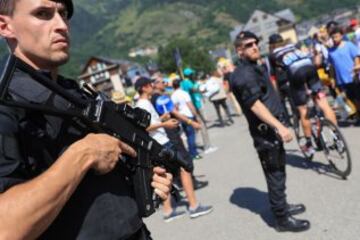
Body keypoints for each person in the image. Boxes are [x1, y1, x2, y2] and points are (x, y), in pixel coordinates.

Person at [0, 1, 172, 239]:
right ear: (4, 26)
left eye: (63, 13)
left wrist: (143, 180)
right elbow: (5, 228)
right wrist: (84, 154)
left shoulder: (77, 93)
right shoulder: (6, 103)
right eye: (43, 14)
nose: (61, 25)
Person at [231, 31, 310, 232]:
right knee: (275, 174)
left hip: (271, 131)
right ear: (239, 50)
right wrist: (279, 126)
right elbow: (255, 105)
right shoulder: (243, 74)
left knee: (279, 173)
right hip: (266, 134)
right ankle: (282, 219)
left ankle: (282, 206)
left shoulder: (254, 68)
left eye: (256, 43)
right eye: (249, 45)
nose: (255, 46)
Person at [134, 77, 213, 222]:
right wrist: (165, 125)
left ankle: (167, 210)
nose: (152, 86)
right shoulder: (143, 104)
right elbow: (143, 127)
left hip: (159, 143)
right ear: (144, 88)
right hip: (162, 143)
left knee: (165, 175)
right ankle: (194, 206)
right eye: (150, 84)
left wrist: (162, 119)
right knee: (185, 168)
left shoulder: (143, 103)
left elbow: (150, 123)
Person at [268, 33, 337, 158]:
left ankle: (309, 145)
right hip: (310, 69)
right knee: (324, 104)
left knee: (303, 110)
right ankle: (336, 136)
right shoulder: (293, 46)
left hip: (296, 74)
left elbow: (277, 75)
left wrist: (277, 93)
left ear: (272, 45)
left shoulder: (272, 54)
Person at [328, 27, 360, 113]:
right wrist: (333, 79)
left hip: (352, 76)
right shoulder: (330, 51)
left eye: (336, 36)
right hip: (341, 79)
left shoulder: (348, 45)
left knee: (358, 96)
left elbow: (356, 57)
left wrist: (356, 69)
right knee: (351, 98)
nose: (335, 39)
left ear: (341, 36)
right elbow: (332, 66)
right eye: (333, 37)